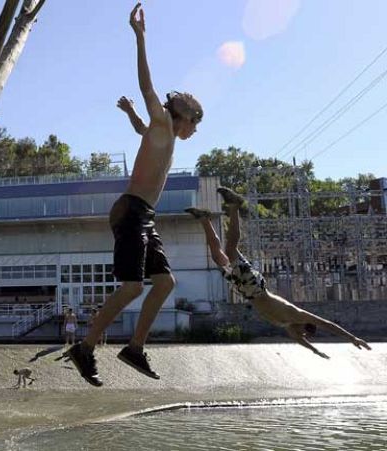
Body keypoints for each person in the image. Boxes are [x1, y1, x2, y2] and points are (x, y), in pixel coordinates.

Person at [67, 2, 203, 385]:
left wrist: (128, 115)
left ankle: (135, 348)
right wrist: (140, 36)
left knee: (165, 283)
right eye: (195, 118)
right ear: (181, 115)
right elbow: (147, 86)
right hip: (131, 212)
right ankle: (85, 346)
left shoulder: (159, 133)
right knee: (132, 286)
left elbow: (142, 129)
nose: (196, 126)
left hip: (144, 216)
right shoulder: (163, 120)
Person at [186, 187, 372, 358]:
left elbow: (299, 340)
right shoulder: (297, 315)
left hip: (245, 291)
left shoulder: (289, 326)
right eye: (304, 333)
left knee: (218, 257)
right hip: (254, 287)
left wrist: (315, 351)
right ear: (304, 327)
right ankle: (234, 205)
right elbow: (328, 325)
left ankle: (204, 219)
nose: (301, 335)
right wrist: (352, 338)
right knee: (230, 249)